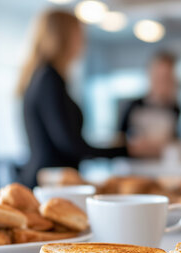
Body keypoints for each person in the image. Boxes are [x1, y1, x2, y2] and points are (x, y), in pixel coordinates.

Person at [17, 10, 127, 187]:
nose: (83, 41)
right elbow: (70, 145)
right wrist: (124, 150)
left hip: (53, 181)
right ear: (63, 37)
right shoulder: (49, 79)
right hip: (50, 184)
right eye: (79, 34)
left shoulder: (46, 77)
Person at [120, 51, 181, 158]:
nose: (162, 82)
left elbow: (176, 143)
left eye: (166, 77)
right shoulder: (133, 106)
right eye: (159, 76)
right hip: (134, 167)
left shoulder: (175, 108)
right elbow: (120, 140)